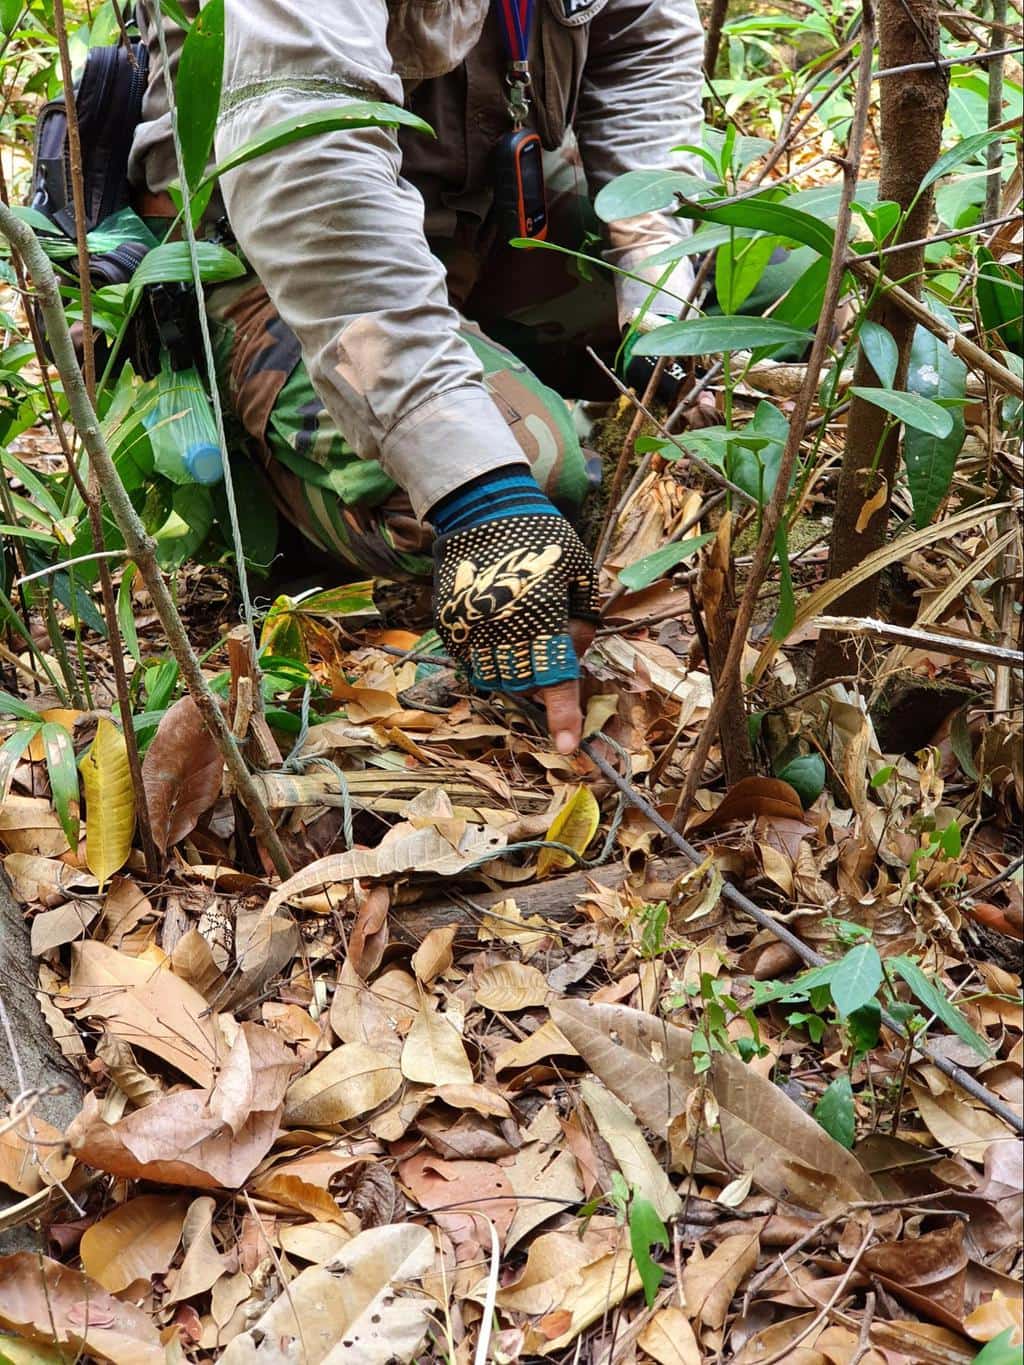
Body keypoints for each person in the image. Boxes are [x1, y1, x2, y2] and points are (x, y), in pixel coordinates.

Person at [129, 0, 704, 753]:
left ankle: (481, 373)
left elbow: (642, 43)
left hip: (481, 216)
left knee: (779, 277)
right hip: (278, 252)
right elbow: (307, 159)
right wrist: (479, 488)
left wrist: (653, 277)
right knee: (531, 470)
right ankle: (272, 453)